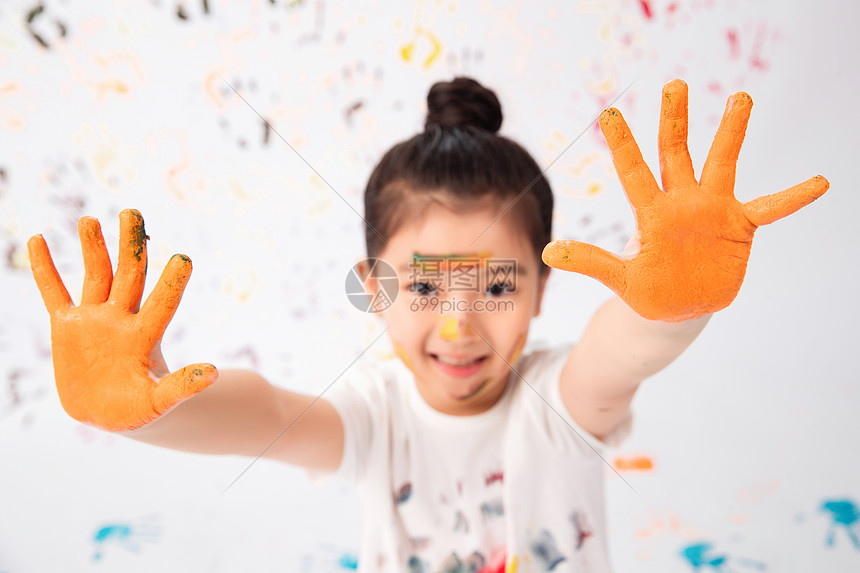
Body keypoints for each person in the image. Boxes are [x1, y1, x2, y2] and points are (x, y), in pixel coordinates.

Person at [27, 77, 828, 572]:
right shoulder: (376, 415)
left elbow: (618, 356)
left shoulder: (560, 405)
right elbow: (266, 414)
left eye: (498, 284)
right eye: (423, 286)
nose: (459, 324)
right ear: (374, 289)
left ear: (544, 291)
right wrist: (154, 407)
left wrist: (667, 306)